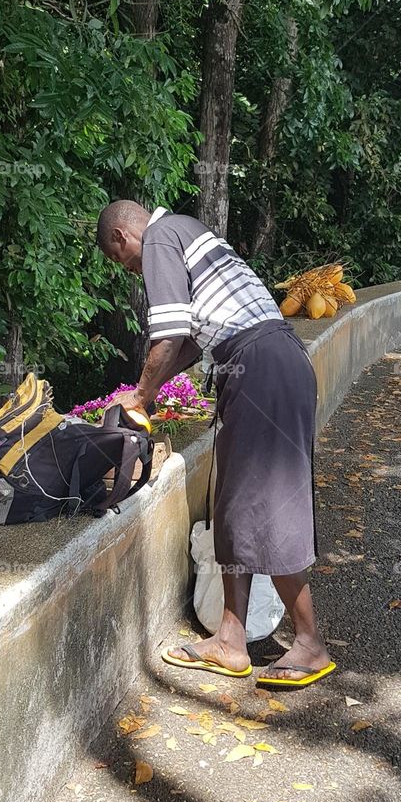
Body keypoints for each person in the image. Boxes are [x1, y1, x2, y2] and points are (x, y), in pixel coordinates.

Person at [96, 199, 335, 689]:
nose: (134, 269)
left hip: (261, 368)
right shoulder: (189, 232)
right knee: (234, 506)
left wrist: (140, 396)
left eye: (125, 262)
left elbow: (167, 331)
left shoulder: (161, 237)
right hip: (274, 363)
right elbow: (188, 341)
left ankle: (309, 643)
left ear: (122, 236)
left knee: (264, 506)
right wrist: (151, 389)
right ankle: (231, 638)